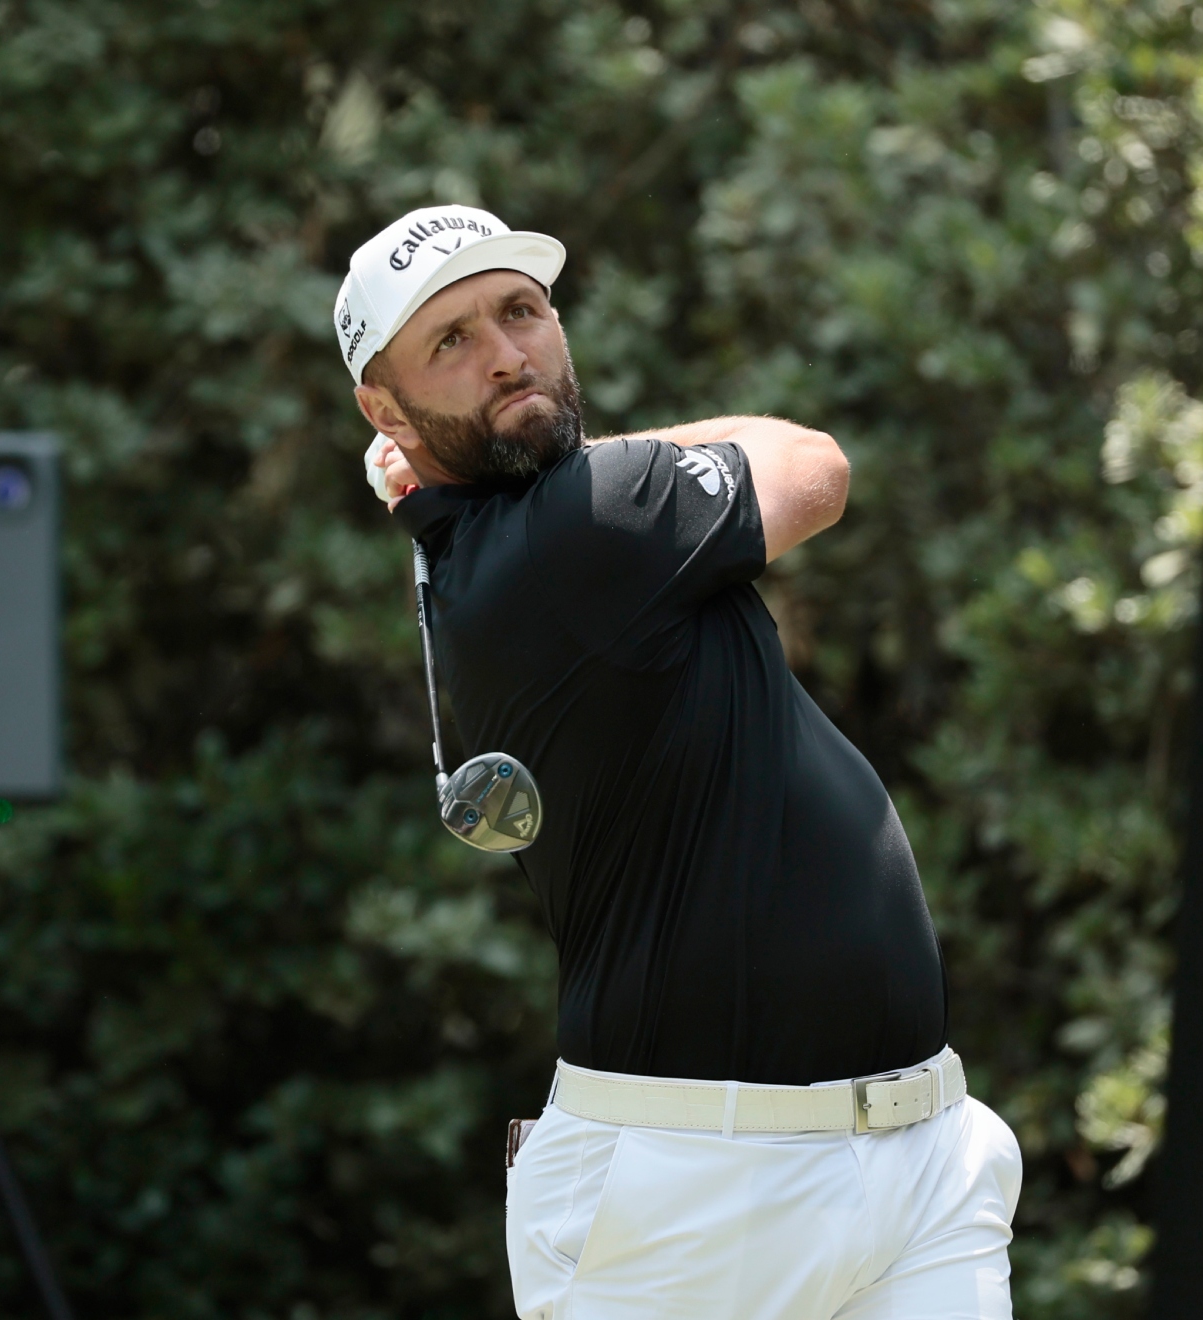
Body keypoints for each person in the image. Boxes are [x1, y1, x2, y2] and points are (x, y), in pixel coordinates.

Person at [334, 205, 1021, 1320]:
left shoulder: (534, 532)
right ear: (385, 412)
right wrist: (578, 444)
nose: (508, 352)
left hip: (912, 1157)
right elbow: (813, 465)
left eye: (522, 312)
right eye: (449, 343)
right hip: (693, 1196)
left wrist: (496, 448)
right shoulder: (580, 530)